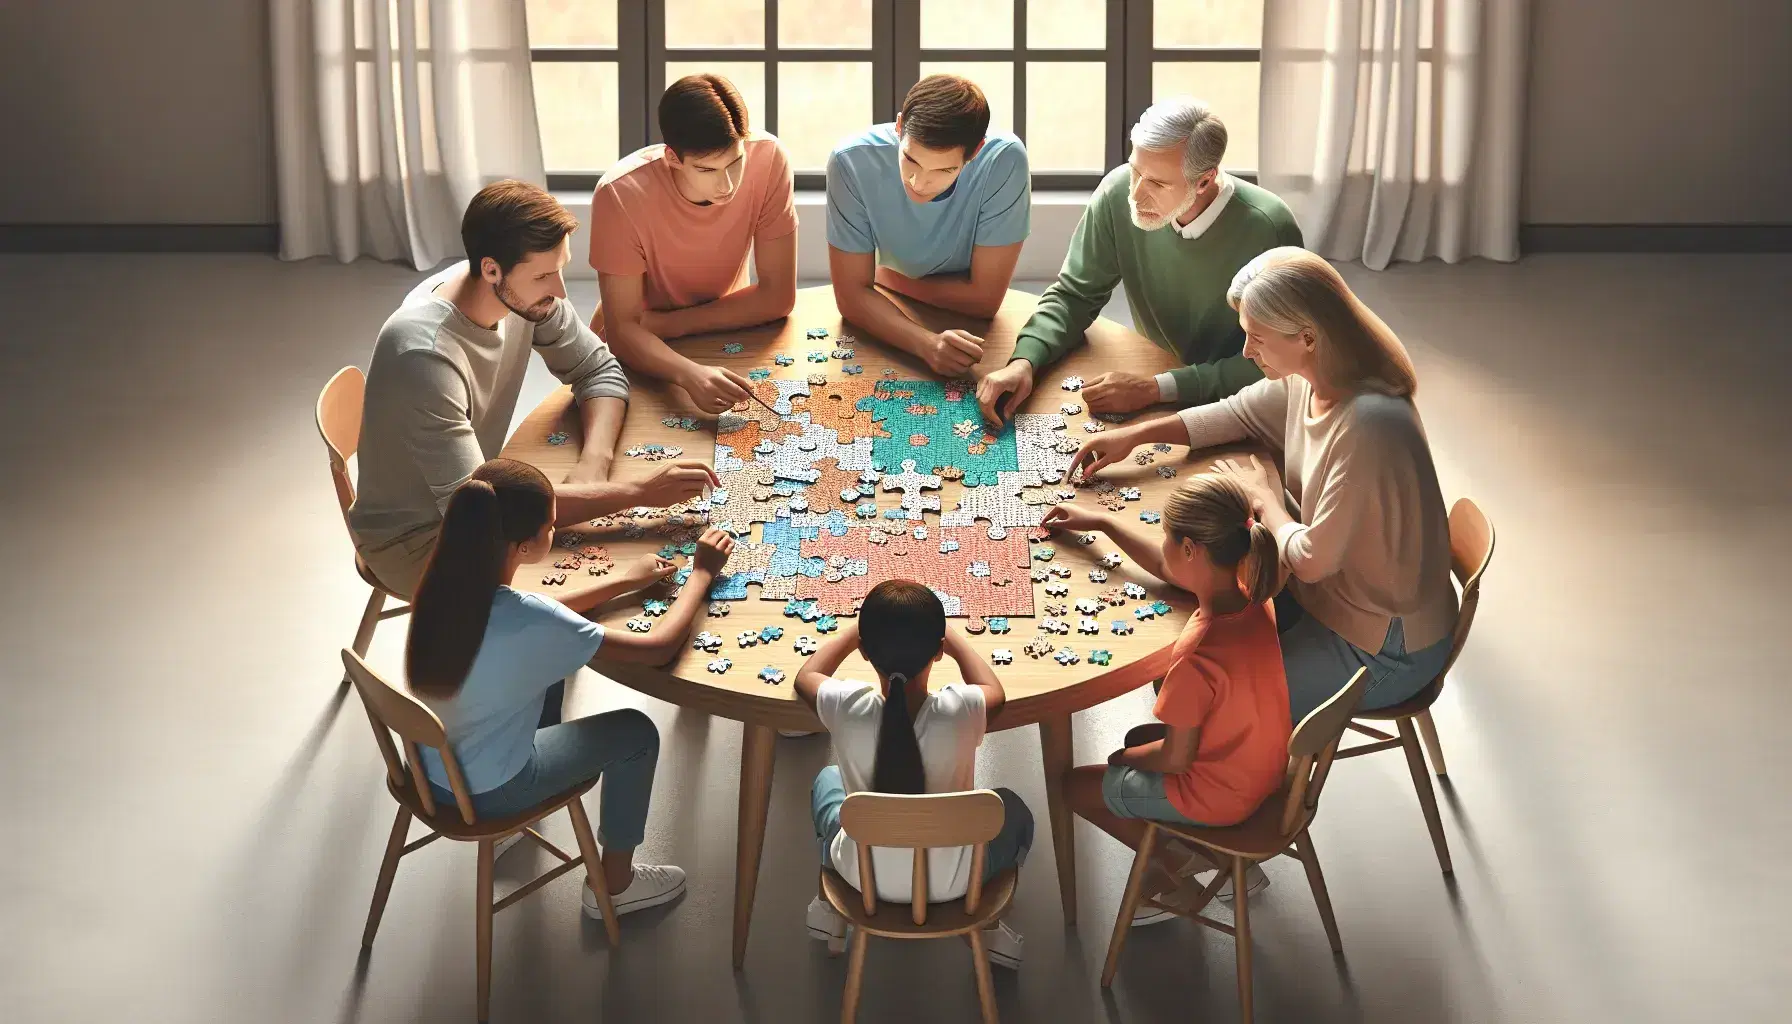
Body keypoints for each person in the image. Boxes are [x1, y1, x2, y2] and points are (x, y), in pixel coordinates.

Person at [1066, 247, 1458, 723]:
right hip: (1331, 601)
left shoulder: (1369, 426)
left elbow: (1312, 561)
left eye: (1257, 338)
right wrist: (1137, 434)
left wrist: (1267, 502)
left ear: (1308, 337)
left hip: (1384, 646)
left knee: (1207, 708)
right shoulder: (1308, 378)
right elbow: (1235, 414)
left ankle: (1242, 792)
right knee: (1194, 631)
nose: (1247, 351)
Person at [350, 180, 718, 599]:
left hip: (482, 498)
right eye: (544, 275)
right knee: (602, 590)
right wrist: (638, 492)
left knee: (612, 556)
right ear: (491, 269)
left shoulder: (517, 293)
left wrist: (595, 462)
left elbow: (599, 369)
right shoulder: (423, 357)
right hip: (419, 544)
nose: (560, 291)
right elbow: (489, 511)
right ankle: (550, 663)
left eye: (560, 269)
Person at [405, 458, 736, 918]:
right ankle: (616, 886)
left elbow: (544, 616)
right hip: (487, 792)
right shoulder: (530, 621)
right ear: (524, 545)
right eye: (551, 525)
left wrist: (621, 581)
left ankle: (518, 827)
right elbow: (657, 648)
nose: (555, 529)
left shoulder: (443, 587)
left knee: (551, 668)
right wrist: (701, 572)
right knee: (637, 733)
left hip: (428, 770)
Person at [977, 97, 1303, 426]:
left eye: (1158, 183)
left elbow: (1285, 359)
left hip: (1247, 404)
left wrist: (1156, 388)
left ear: (1204, 181)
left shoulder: (1270, 228)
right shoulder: (1117, 192)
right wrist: (1024, 361)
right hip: (1158, 380)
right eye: (1135, 171)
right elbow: (1075, 295)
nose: (1135, 194)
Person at [1050, 473, 1289, 911]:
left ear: (1191, 550)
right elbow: (1165, 568)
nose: (1162, 547)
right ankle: (1222, 860)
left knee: (1072, 785)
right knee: (1140, 740)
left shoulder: (1197, 654)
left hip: (1220, 797)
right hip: (1266, 773)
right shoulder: (1253, 596)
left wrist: (1123, 761)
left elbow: (1175, 758)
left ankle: (1182, 867)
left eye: (1165, 538)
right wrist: (1102, 522)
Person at [792, 581, 1033, 969]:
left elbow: (806, 676)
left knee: (828, 780)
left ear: (866, 651)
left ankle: (828, 911)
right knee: (1012, 807)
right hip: (956, 884)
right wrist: (951, 639)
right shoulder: (961, 709)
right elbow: (994, 690)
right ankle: (986, 930)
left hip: (860, 877)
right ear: (937, 651)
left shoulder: (847, 706)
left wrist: (857, 631)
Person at [591, 74, 799, 414]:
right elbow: (623, 330)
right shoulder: (619, 194)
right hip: (642, 348)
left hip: (722, 328)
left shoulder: (770, 159)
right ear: (673, 158)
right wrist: (688, 375)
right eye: (707, 170)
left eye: (735, 162)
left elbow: (778, 297)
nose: (727, 185)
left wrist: (668, 324)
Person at [827, 74, 1031, 377]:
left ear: (974, 153)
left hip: (972, 327)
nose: (919, 183)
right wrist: (927, 344)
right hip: (894, 323)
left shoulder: (1004, 160)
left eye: (944, 170)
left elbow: (985, 301)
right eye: (910, 159)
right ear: (899, 127)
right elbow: (850, 298)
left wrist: (885, 277)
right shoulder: (850, 161)